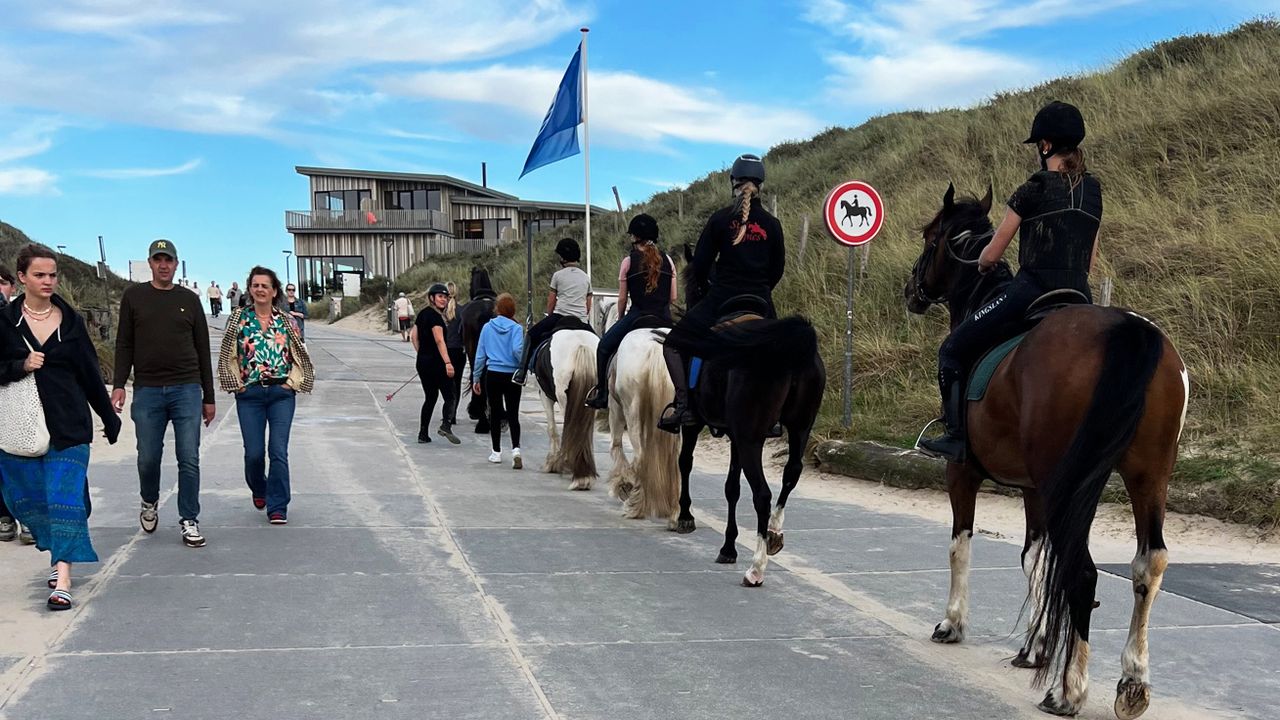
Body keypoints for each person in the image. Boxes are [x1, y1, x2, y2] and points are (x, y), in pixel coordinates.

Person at [918, 101, 1102, 462]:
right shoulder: (1094, 191)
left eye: (1039, 144)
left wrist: (985, 265)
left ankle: (955, 436)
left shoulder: (1033, 187)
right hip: (1081, 294)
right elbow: (1090, 260)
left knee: (951, 350)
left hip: (1032, 290)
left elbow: (991, 253)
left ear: (1045, 145)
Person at [0, 244, 121, 610]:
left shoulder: (70, 323)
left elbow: (88, 373)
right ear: (22, 277)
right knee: (31, 501)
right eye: (40, 275)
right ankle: (57, 550)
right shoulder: (5, 323)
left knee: (63, 499)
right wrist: (20, 365)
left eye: (52, 275)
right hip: (22, 426)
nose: (48, 281)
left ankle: (64, 577)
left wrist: (109, 418)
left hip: (69, 428)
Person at [658, 153, 785, 433]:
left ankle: (684, 407)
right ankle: (774, 416)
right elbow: (778, 269)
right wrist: (761, 291)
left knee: (674, 344)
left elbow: (700, 267)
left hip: (722, 298)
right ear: (760, 184)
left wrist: (712, 287)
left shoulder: (719, 220)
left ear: (734, 183)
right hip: (762, 301)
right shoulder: (773, 225)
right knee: (781, 352)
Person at [112, 239, 216, 548]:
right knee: (148, 457)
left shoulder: (190, 299)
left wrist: (208, 397)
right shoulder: (134, 297)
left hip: (186, 388)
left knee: (189, 457)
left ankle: (189, 519)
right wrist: (119, 383)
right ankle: (149, 500)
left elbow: (202, 348)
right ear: (150, 263)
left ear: (176, 263)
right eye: (158, 260)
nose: (163, 265)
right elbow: (124, 343)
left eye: (168, 260)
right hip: (147, 390)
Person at [217, 266, 315, 524]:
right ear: (250, 289)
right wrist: (237, 384)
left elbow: (300, 354)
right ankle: (259, 488)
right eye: (256, 285)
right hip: (249, 395)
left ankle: (278, 506)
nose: (260, 289)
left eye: (265, 286)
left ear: (274, 291)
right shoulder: (238, 318)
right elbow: (227, 354)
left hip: (281, 394)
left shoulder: (287, 321)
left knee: (278, 451)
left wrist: (292, 383)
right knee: (253, 453)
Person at [585, 214, 677, 409]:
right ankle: (686, 400)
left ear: (636, 237)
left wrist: (620, 318)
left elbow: (621, 299)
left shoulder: (628, 261)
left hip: (637, 315)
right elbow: (673, 298)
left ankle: (601, 393)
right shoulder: (668, 260)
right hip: (663, 317)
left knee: (602, 347)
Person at [511, 238, 593, 386]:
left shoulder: (557, 276)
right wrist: (582, 315)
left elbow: (551, 301)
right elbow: (588, 304)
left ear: (562, 257)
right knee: (599, 344)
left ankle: (521, 372)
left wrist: (549, 316)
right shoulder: (585, 277)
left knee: (531, 335)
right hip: (581, 319)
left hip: (559, 316)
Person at [472, 293, 524, 468]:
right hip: (512, 376)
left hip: (493, 373)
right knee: (513, 413)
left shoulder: (487, 328)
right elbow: (518, 350)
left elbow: (480, 355)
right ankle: (516, 449)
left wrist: (476, 377)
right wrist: (520, 363)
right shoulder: (517, 328)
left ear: (497, 309)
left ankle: (496, 452)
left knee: (494, 412)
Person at [412, 283, 459, 445]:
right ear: (432, 298)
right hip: (438, 364)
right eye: (440, 296)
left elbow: (413, 337)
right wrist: (447, 362)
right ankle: (446, 425)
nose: (444, 300)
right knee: (450, 396)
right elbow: (439, 340)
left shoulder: (422, 314)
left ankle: (423, 433)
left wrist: (422, 354)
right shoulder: (436, 317)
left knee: (430, 397)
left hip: (423, 362)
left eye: (445, 297)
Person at [0, 265, 17, 543]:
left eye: (2, 282)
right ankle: (4, 515)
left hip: (12, 396)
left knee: (15, 458)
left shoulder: (16, 320)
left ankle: (24, 516)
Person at [443, 282, 467, 421]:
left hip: (445, 351)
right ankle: (453, 414)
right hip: (459, 350)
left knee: (445, 383)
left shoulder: (441, 311)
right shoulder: (462, 310)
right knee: (456, 383)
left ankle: (447, 411)